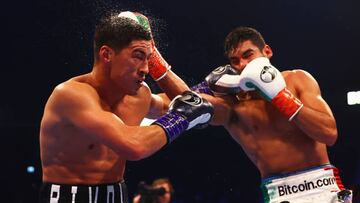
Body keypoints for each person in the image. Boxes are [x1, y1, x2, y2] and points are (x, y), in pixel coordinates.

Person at [38, 11, 213, 203]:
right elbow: (134, 146)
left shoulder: (139, 95)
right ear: (106, 54)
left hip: (117, 194)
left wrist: (160, 67)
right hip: (68, 197)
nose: (145, 69)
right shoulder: (71, 95)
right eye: (138, 56)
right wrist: (182, 117)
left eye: (148, 59)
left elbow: (187, 101)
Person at [191, 26, 353, 202]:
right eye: (235, 61)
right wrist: (158, 66)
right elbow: (184, 103)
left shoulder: (297, 79)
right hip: (279, 195)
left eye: (248, 55)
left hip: (325, 189)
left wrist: (280, 96)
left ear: (267, 51)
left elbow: (329, 134)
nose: (243, 65)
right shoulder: (234, 105)